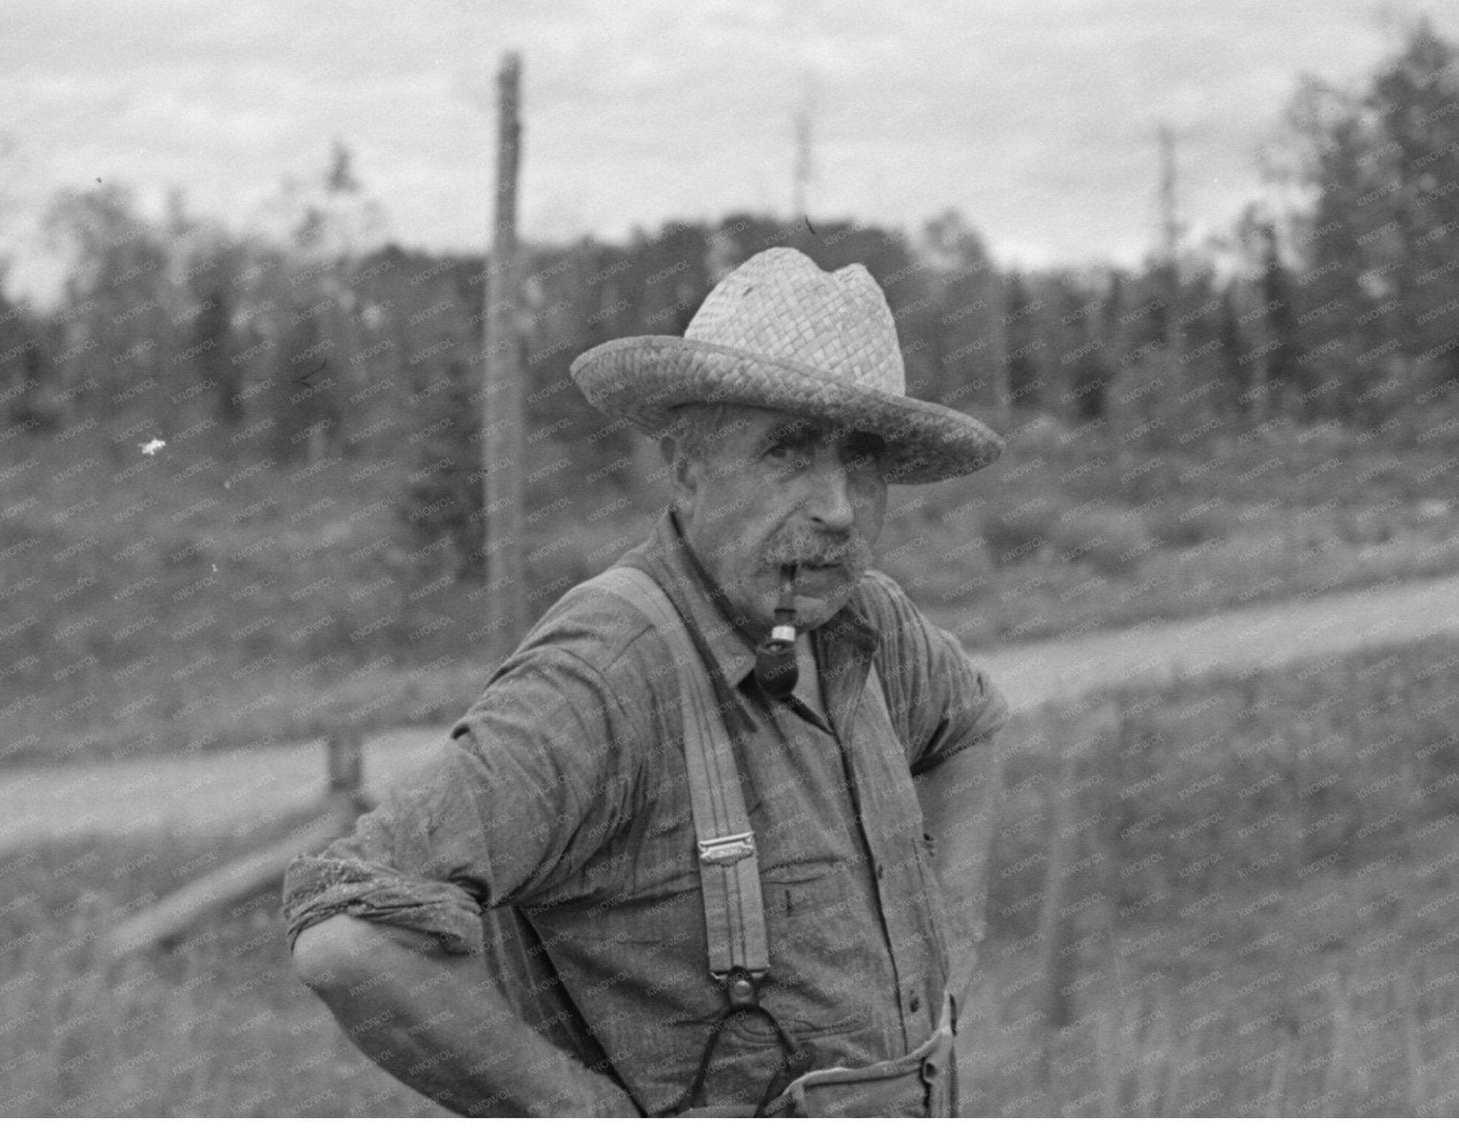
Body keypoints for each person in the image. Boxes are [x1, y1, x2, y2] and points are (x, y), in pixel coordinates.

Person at [284, 246, 1009, 1117]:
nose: (839, 507)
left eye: (860, 459)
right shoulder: (609, 672)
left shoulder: (868, 624)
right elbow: (351, 938)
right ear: (688, 469)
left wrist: (951, 935)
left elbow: (970, 727)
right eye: (786, 450)